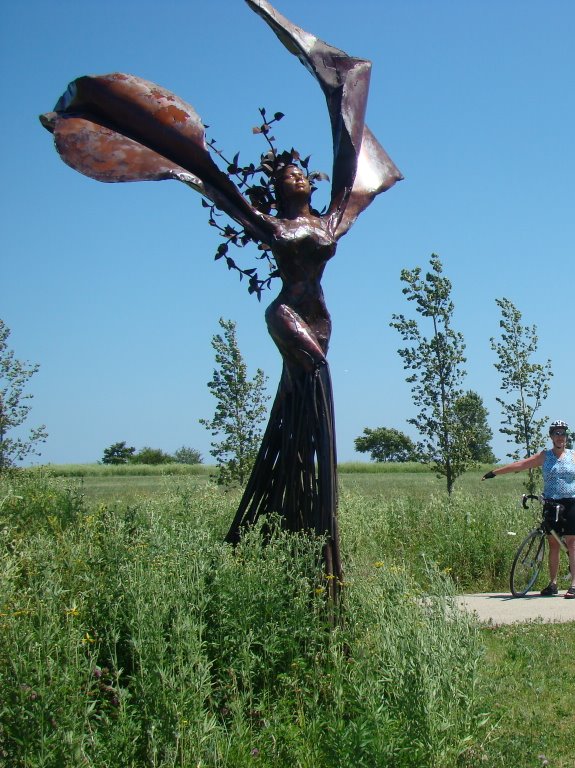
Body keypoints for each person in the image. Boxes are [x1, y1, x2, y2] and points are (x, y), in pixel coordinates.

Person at [40, 0, 403, 592]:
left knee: (301, 420)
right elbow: (215, 184)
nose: (295, 176)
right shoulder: (268, 223)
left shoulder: (334, 217)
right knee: (311, 413)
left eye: (300, 172)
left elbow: (350, 102)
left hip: (322, 318)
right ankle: (317, 553)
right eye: (285, 174)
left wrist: (275, 18)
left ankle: (287, 536)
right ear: (275, 186)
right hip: (287, 316)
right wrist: (161, 151)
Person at [482, 421, 575, 599]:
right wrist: (494, 472)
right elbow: (520, 465)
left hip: (571, 504)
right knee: (553, 545)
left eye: (562, 434)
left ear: (566, 437)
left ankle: (574, 585)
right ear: (551, 436)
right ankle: (553, 584)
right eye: (556, 433)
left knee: (573, 543)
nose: (560, 437)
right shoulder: (544, 456)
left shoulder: (574, 455)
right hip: (551, 505)